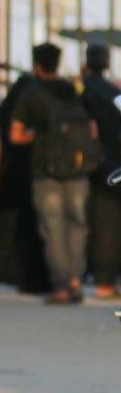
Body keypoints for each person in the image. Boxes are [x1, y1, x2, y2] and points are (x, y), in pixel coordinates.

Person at [10, 43, 101, 304]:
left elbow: (15, 135)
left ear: (37, 65)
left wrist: (41, 135)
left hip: (45, 171)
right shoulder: (74, 90)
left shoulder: (31, 93)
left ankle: (61, 284)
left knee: (53, 228)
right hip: (78, 169)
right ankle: (76, 280)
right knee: (78, 224)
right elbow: (92, 129)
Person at [0, 74, 53, 294]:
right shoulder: (37, 115)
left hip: (7, 182)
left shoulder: (4, 113)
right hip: (33, 178)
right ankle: (31, 279)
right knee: (31, 231)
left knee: (2, 232)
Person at [82, 44, 120, 299]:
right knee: (110, 223)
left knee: (95, 223)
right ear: (107, 63)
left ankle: (97, 276)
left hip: (83, 166)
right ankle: (106, 279)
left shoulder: (81, 93)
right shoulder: (113, 94)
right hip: (113, 164)